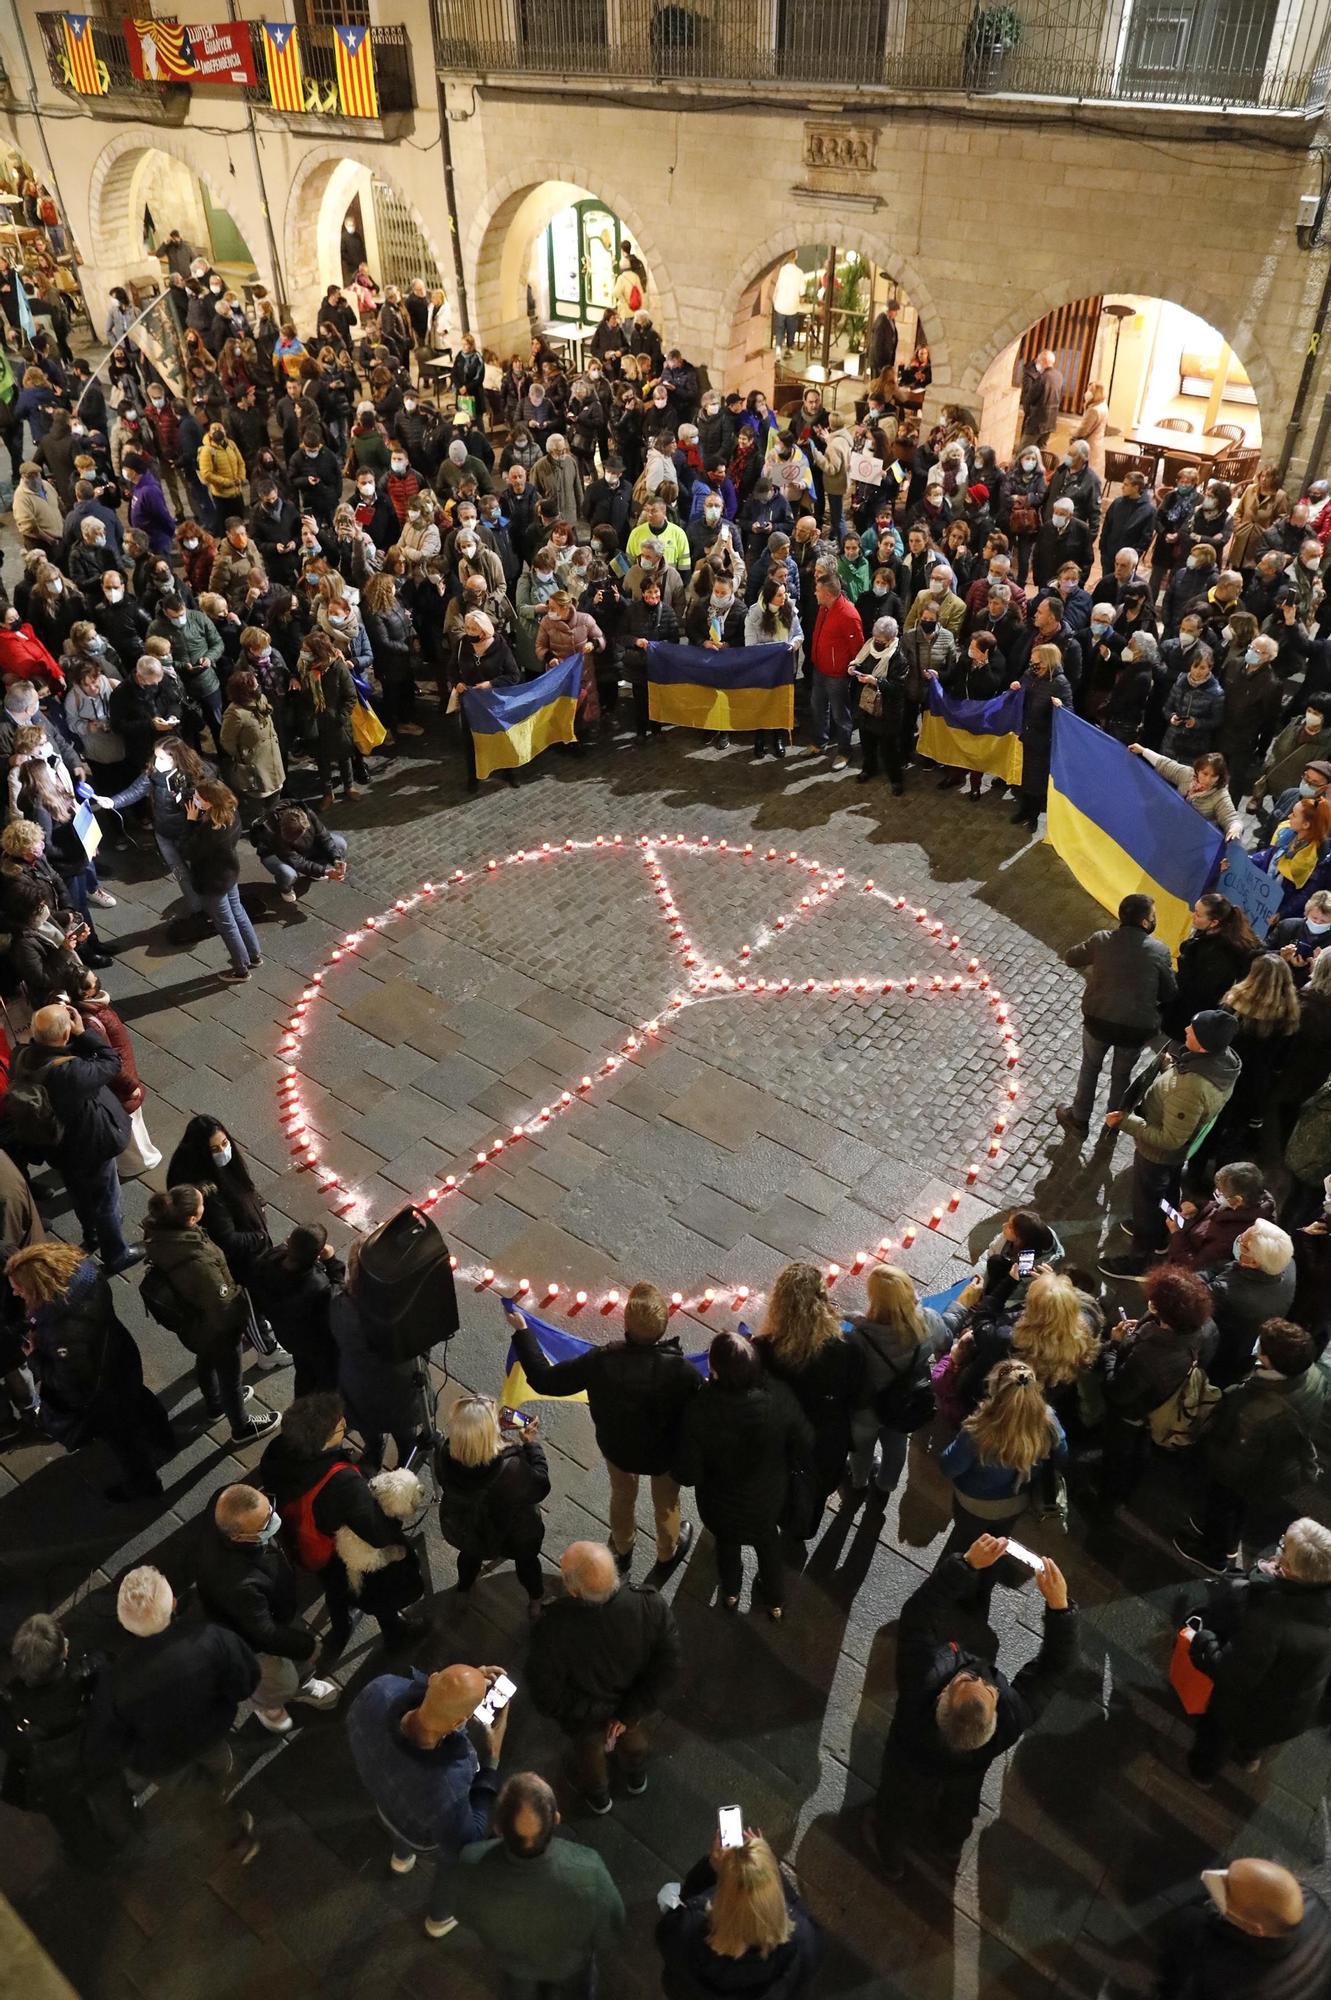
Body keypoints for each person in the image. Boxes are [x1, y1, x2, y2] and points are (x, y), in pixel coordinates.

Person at [867, 1534, 1075, 1879]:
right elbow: (1054, 1669)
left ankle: (891, 1856)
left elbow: (917, 1617)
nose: (980, 1674)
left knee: (897, 1806)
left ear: (942, 1697)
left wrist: (965, 1565)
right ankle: (950, 1842)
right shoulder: (1012, 1717)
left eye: (968, 1680)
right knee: (959, 1806)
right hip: (966, 1773)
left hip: (908, 1764)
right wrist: (1060, 1608)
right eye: (989, 1687)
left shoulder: (919, 1682)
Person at [505, 1286, 698, 1574]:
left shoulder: (601, 1361)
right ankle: (667, 1551)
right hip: (665, 1455)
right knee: (667, 1503)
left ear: (626, 1324)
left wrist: (523, 1332)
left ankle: (622, 1547)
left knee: (622, 1494)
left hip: (618, 1448)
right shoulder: (682, 1371)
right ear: (664, 1327)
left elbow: (545, 1380)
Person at [86, 1565, 261, 1864]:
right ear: (174, 1603)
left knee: (198, 1800)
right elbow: (246, 1679)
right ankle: (221, 1787)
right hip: (210, 1733)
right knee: (222, 1764)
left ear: (126, 1622)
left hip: (162, 1761)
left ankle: (235, 1839)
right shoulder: (211, 1639)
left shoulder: (113, 1682)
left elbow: (108, 1739)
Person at [257, 1390, 429, 1656]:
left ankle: (340, 1627)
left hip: (308, 1543)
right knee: (373, 1590)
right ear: (322, 1442)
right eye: (338, 1426)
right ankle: (394, 1631)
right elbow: (377, 1534)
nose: (345, 1423)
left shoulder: (277, 1450)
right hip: (342, 1553)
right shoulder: (343, 1484)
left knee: (335, 1590)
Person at [346, 1661, 507, 1939]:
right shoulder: (448, 1783)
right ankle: (440, 1916)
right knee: (451, 1865)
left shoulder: (379, 1690)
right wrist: (492, 1759)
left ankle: (401, 1857)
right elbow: (469, 1837)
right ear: (458, 1723)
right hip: (422, 1833)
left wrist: (462, 1685)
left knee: (398, 1816)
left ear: (432, 1678)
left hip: (384, 1800)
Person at [8, 1241, 174, 1502]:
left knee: (123, 1440)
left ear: (40, 1285)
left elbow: (68, 1381)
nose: (15, 1292)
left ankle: (145, 1485)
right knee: (140, 1399)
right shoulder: (85, 1273)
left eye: (20, 1287)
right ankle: (164, 1437)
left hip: (103, 1391)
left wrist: (35, 1357)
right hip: (121, 1356)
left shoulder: (61, 1329)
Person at [526, 1539, 680, 1814]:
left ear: (574, 1590)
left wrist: (597, 1715)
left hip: (585, 1718)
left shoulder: (551, 1630)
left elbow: (545, 1693)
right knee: (633, 1741)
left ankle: (599, 1800)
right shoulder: (650, 1605)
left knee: (589, 1756)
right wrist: (626, 1715)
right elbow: (668, 1666)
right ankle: (636, 1778)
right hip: (631, 1704)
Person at [1182, 1514, 1331, 1785]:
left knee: (1217, 1733)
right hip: (1294, 1710)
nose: (1278, 1547)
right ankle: (1250, 1756)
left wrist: (1203, 1641)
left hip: (1247, 1709)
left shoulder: (1269, 1617)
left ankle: (1203, 1773)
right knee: (1259, 1734)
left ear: (1289, 1568)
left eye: (1283, 1545)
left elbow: (1231, 1673)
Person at [673, 1329, 812, 1619]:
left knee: (726, 1545)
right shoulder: (778, 1398)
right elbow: (805, 1442)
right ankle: (775, 1600)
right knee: (768, 1545)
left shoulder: (699, 1408)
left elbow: (688, 1474)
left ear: (715, 1370)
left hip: (719, 1507)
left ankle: (731, 1592)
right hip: (767, 1500)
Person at [1175, 1317, 1330, 1574]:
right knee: (1239, 1506)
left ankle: (1214, 1556)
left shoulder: (1258, 1410)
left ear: (1270, 1360)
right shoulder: (1312, 1375)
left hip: (1249, 1471)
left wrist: (1204, 1449)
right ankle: (1228, 1543)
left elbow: (1231, 1467)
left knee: (1225, 1503)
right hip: (1276, 1463)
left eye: (1262, 1348)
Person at [452, 1771, 626, 2000]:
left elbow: (464, 1914)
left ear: (499, 1827)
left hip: (516, 1966)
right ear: (556, 1819)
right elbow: (611, 1926)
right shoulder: (588, 1869)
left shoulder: (471, 1860)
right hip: (569, 1965)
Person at [1101, 1011, 1242, 1278]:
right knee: (1166, 1191)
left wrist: (1126, 1122)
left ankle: (1141, 1258)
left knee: (1146, 1202)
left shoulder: (1192, 1087)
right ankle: (1166, 1231)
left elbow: (1169, 1138)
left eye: (1193, 1030)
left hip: (1158, 1154)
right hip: (1174, 1156)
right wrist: (1169, 1069)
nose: (1186, 1029)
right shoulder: (1220, 1063)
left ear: (1204, 1045)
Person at [7, 1002, 142, 1274]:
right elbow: (111, 1061)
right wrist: (83, 1033)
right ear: (65, 1034)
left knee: (79, 1193)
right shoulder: (71, 1073)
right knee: (106, 1199)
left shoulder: (21, 1056)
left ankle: (91, 1233)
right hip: (89, 1145)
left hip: (57, 1146)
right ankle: (116, 1253)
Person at [194, 1482, 340, 1733]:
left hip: (275, 1604)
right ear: (238, 1537)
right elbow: (264, 1634)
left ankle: (302, 1682)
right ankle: (268, 1705)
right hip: (252, 1638)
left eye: (269, 1509)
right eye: (265, 1524)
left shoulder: (226, 1502)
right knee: (276, 1679)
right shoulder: (237, 1583)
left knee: (293, 1654)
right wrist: (306, 1646)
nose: (274, 1519)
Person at [140, 1184, 278, 1443]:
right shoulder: (197, 1260)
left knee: (205, 1359)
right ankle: (241, 1426)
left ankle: (215, 1404)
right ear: (192, 1218)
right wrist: (242, 1303)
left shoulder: (161, 1233)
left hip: (194, 1324)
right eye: (202, 1204)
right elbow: (222, 1307)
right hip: (216, 1328)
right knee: (230, 1376)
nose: (205, 1206)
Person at [753, 1260, 865, 1535]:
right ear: (822, 1301)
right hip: (825, 1440)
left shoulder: (763, 1348)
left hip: (780, 1437)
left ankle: (781, 1520)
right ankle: (805, 1530)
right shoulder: (844, 1349)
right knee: (815, 1491)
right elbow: (856, 1395)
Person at [1055, 894, 1177, 1137]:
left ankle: (1079, 1118)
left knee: (1090, 1067)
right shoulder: (1159, 950)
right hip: (1135, 1029)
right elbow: (1169, 992)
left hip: (1098, 1020)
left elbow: (1071, 957)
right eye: (1153, 916)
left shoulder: (1102, 940)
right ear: (1145, 922)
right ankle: (1114, 1122)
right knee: (1121, 1075)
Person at [1098, 1265, 1217, 1508]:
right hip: (1161, 1403)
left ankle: (1107, 1501)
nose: (1150, 1303)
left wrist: (1114, 1346)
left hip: (1132, 1414)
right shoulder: (1206, 1327)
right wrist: (1143, 1328)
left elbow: (1117, 1391)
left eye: (1156, 1303)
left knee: (1118, 1456)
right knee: (1140, 1448)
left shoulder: (1149, 1356)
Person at [656, 1832, 822, 2000]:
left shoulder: (685, 1929)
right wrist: (771, 1871)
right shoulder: (804, 1940)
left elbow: (682, 1906)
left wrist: (711, 1869)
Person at [436, 1391, 550, 1616]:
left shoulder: (445, 1454)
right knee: (527, 1565)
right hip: (513, 1535)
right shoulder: (512, 1469)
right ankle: (535, 1602)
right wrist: (531, 1446)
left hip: (468, 1529)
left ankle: (463, 1590)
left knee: (469, 1558)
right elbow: (540, 1486)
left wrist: (492, 1432)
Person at [939, 1358, 1067, 1554]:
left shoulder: (979, 1430)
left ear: (995, 1391)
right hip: (1017, 1501)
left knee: (964, 1546)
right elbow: (1062, 1456)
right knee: (998, 1544)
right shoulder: (1049, 1423)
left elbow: (949, 1467)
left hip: (975, 1503)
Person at [1157, 1857, 1331, 1999]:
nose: (1214, 1875)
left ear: (1255, 1928)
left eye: (1228, 1891)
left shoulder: (1220, 1976)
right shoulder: (1313, 1906)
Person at [844, 1265, 947, 1497]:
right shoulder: (928, 1322)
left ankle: (858, 1481)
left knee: (860, 1450)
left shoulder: (858, 1339)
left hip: (865, 1410)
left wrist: (853, 1319)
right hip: (903, 1404)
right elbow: (945, 1341)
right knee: (896, 1446)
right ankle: (887, 1485)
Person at [180, 778, 263, 984]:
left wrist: (190, 821)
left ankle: (241, 970)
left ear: (210, 802)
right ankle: (254, 954)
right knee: (238, 912)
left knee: (226, 924)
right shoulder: (232, 812)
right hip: (228, 874)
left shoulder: (210, 830)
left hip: (212, 882)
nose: (195, 800)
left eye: (198, 797)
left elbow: (188, 851)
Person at [248, 1227, 344, 1398]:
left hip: (289, 1336)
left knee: (303, 1374)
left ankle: (301, 1403)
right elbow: (337, 1298)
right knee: (326, 1378)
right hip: (317, 1344)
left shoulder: (269, 1260)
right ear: (318, 1254)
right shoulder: (317, 1286)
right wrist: (332, 1263)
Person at [1205, 1219, 1297, 1385]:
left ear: (1253, 1262)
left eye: (1242, 1242)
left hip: (1223, 1347)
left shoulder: (1227, 1291)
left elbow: (1198, 1296)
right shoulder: (1288, 1265)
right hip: (1248, 1343)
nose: (1238, 1239)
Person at [1163, 892, 1261, 1038]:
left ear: (1214, 922)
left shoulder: (1221, 954)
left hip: (1191, 1020)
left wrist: (1184, 961)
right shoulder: (1209, 937)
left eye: (1198, 914)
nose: (1193, 916)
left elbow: (1200, 992)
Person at [1162, 1160, 1276, 1275]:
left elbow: (1194, 1265)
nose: (1216, 1193)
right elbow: (1216, 1206)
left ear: (1238, 1200)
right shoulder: (1250, 1200)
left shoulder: (1229, 1238)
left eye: (1221, 1192)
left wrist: (1176, 1234)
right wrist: (1198, 1207)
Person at [1011, 642, 1071, 828]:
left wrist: (1061, 707)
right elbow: (1021, 691)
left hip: (1043, 738)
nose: (1032, 664)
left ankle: (1034, 814)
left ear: (1046, 661)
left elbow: (1069, 712)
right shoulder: (1029, 675)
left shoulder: (1060, 683)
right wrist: (1015, 687)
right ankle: (1023, 809)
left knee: (1037, 779)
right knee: (1025, 775)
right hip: (1026, 733)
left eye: (1035, 661)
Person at [248, 799, 347, 908]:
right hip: (274, 853)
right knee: (289, 873)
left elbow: (324, 838)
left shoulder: (307, 813)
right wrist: (325, 871)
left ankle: (315, 868)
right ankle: (285, 888)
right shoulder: (274, 834)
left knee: (339, 843)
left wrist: (336, 859)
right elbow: (297, 862)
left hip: (299, 849)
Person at [809, 574, 864, 768]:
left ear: (827, 594)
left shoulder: (848, 614)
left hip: (837, 675)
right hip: (820, 668)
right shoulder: (824, 608)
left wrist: (850, 669)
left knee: (840, 714)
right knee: (818, 707)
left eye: (817, 590)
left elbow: (857, 647)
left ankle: (844, 751)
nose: (814, 593)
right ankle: (819, 742)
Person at [218, 668, 283, 823]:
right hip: (255, 768)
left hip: (273, 762)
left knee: (275, 803)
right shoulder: (235, 713)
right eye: (254, 685)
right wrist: (244, 754)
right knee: (258, 811)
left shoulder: (261, 699)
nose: (258, 686)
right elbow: (227, 741)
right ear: (244, 691)